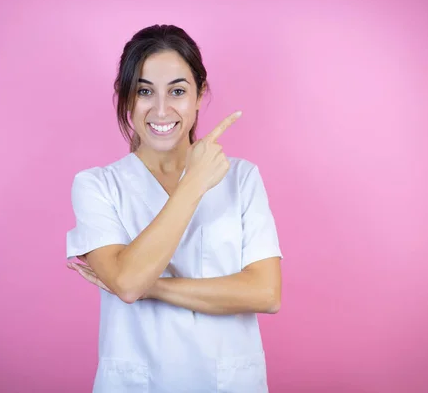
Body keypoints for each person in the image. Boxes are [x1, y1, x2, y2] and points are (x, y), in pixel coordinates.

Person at [65, 24, 283, 393]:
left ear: (200, 95)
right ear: (126, 98)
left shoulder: (242, 178)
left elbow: (265, 293)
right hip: (138, 383)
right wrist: (193, 183)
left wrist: (155, 288)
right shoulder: (96, 186)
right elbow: (129, 283)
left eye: (178, 91)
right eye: (145, 91)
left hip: (229, 382)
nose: (161, 109)